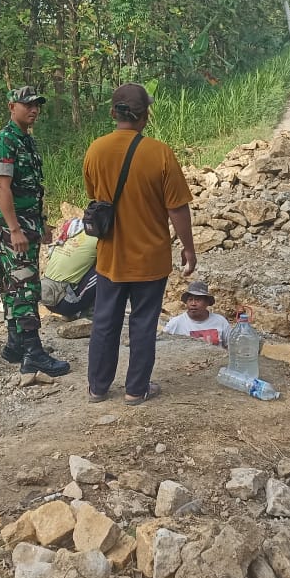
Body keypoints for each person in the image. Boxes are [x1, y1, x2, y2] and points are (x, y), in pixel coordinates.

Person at [83, 83, 196, 406]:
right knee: (143, 322)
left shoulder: (95, 150)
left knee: (105, 321)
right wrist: (188, 247)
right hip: (151, 257)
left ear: (112, 113)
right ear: (146, 115)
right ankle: (136, 389)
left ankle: (98, 388)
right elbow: (176, 207)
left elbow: (95, 197)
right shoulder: (160, 153)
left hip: (110, 256)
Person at [0, 86, 69, 376]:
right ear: (12, 107)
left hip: (28, 224)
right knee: (26, 287)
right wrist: (15, 229)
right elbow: (2, 188)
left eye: (37, 105)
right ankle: (33, 353)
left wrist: (41, 223)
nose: (34, 109)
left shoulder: (27, 142)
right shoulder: (5, 141)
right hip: (15, 229)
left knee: (15, 286)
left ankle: (15, 345)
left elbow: (32, 189)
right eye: (28, 105)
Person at [40, 217, 99, 320]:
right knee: (105, 270)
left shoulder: (73, 232)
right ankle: (90, 315)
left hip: (46, 297)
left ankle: (71, 314)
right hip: (66, 304)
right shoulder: (100, 239)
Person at [163, 281, 230, 347]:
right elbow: (163, 346)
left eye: (198, 300)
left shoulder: (220, 321)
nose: (193, 304)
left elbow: (231, 347)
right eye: (190, 299)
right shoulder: (176, 323)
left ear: (207, 302)